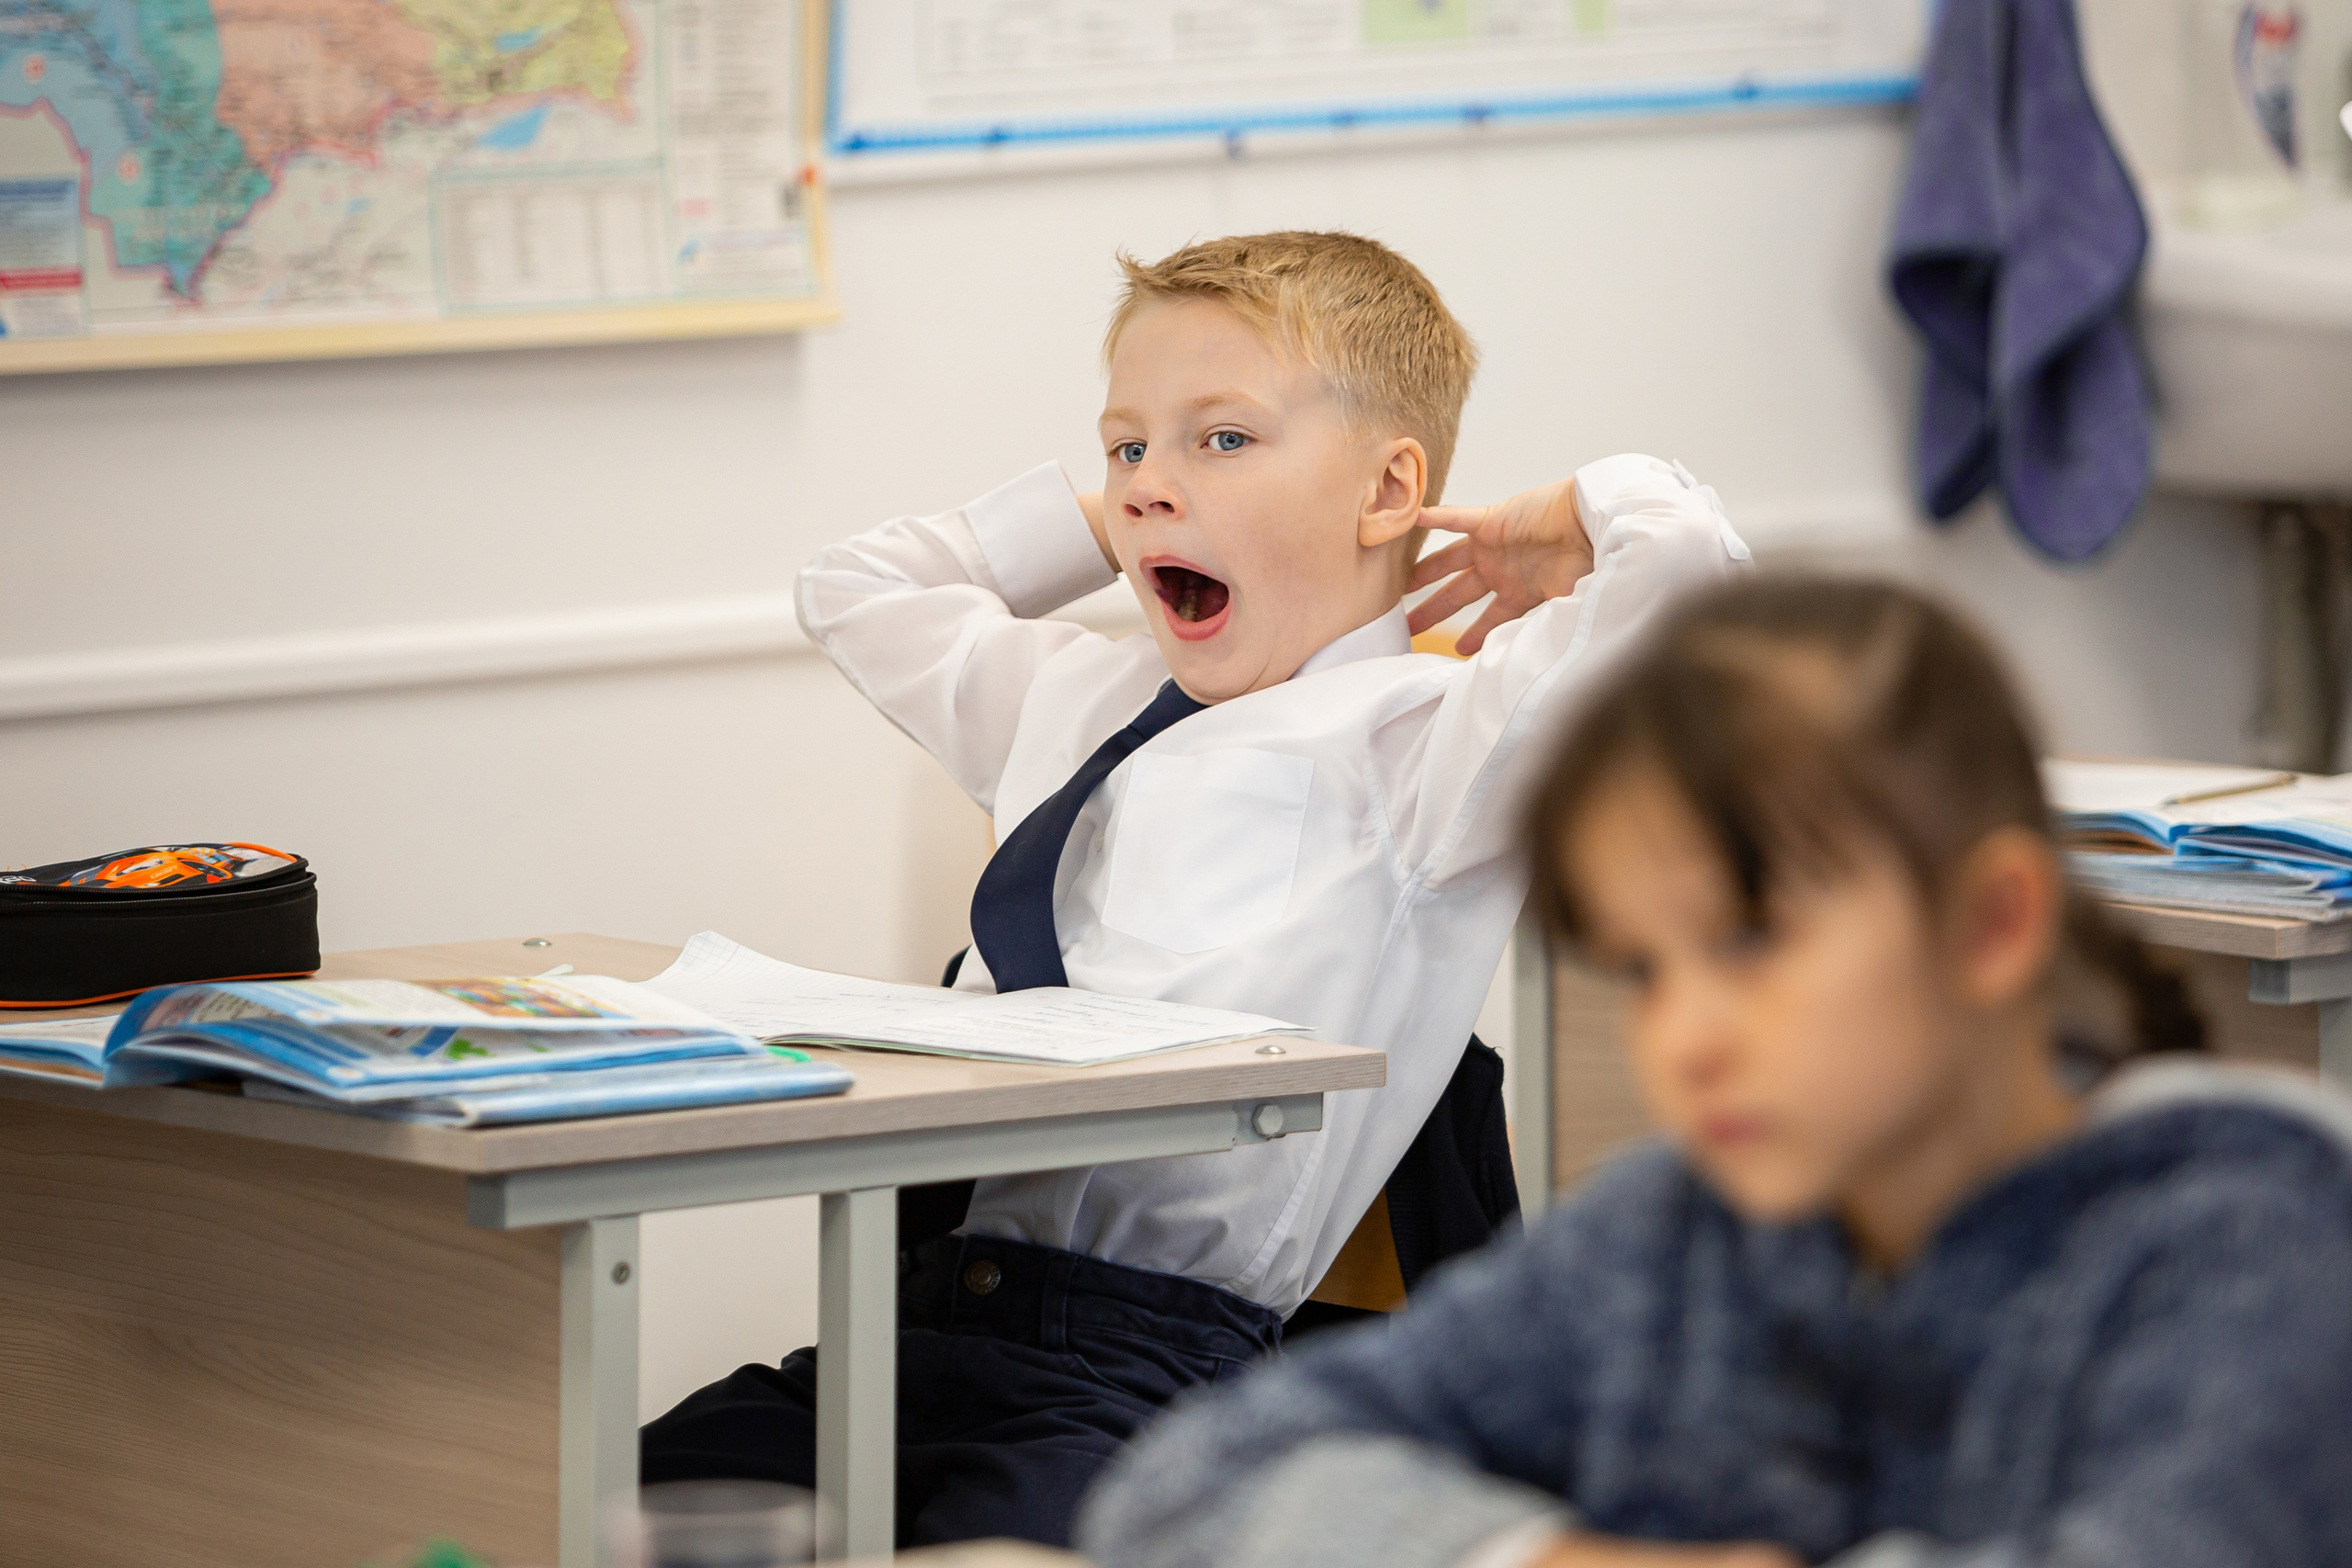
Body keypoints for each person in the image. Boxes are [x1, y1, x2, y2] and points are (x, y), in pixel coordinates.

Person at [639, 230, 1748, 1547]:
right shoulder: (1069, 696)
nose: (1154, 484)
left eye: (1221, 440)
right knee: (622, 1496)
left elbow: (1693, 590)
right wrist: (1097, 517)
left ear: (1391, 487)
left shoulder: (1429, 746)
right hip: (913, 1318)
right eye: (1128, 448)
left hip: (1148, 1370)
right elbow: (856, 589)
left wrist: (1575, 508)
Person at [1078, 577, 2352, 1568]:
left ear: (1993, 924)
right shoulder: (1675, 1236)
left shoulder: (2247, 1239)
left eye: (1750, 939)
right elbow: (1190, 1486)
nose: (1683, 1034)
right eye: (1643, 967)